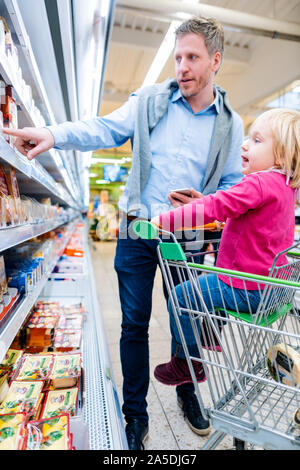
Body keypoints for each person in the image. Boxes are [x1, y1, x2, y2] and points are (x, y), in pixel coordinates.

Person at [3, 17, 244, 449]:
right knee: (133, 324)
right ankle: (135, 415)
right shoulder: (150, 101)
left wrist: (206, 208)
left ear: (215, 61)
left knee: (184, 317)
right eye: (177, 58)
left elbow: (230, 187)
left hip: (187, 234)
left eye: (192, 57)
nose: (182, 67)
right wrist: (53, 135)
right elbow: (104, 128)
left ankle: (187, 391)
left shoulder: (231, 123)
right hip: (136, 228)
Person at [151, 109, 300, 400]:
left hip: (246, 286)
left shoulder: (257, 183)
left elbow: (215, 206)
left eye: (257, 140)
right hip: (269, 287)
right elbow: (254, 222)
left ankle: (187, 362)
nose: (245, 144)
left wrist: (165, 220)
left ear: (280, 156)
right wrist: (220, 220)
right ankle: (210, 335)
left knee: (182, 296)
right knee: (208, 285)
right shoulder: (284, 189)